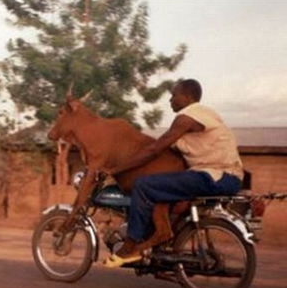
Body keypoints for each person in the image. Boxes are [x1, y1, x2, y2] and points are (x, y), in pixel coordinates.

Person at [103, 79, 244, 267]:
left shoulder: (187, 117)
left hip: (214, 177)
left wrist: (115, 169)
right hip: (226, 177)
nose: (170, 100)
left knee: (143, 185)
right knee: (161, 189)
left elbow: (154, 150)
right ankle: (159, 242)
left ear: (187, 96)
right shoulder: (207, 115)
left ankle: (131, 244)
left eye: (174, 95)